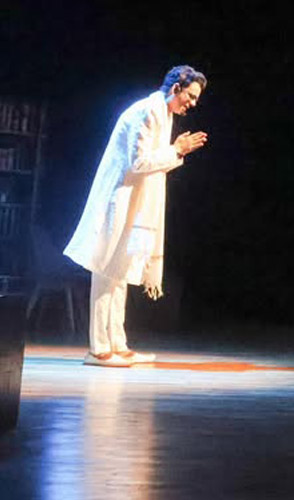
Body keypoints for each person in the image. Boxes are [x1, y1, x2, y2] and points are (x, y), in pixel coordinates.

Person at [64, 65, 208, 367]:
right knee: (106, 270)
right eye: (191, 96)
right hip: (117, 199)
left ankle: (117, 343)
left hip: (133, 201)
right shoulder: (147, 111)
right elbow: (138, 162)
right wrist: (177, 150)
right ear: (176, 89)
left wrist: (175, 151)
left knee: (120, 271)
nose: (193, 103)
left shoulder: (163, 113)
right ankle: (98, 349)